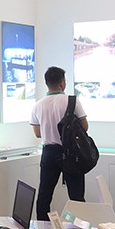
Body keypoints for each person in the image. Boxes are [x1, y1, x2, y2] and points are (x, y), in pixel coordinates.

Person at [30, 66, 89, 220]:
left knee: (44, 194)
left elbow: (37, 133)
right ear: (62, 83)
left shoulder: (38, 105)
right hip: (71, 153)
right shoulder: (72, 101)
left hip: (49, 153)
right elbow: (84, 127)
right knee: (76, 195)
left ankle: (42, 228)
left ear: (46, 83)